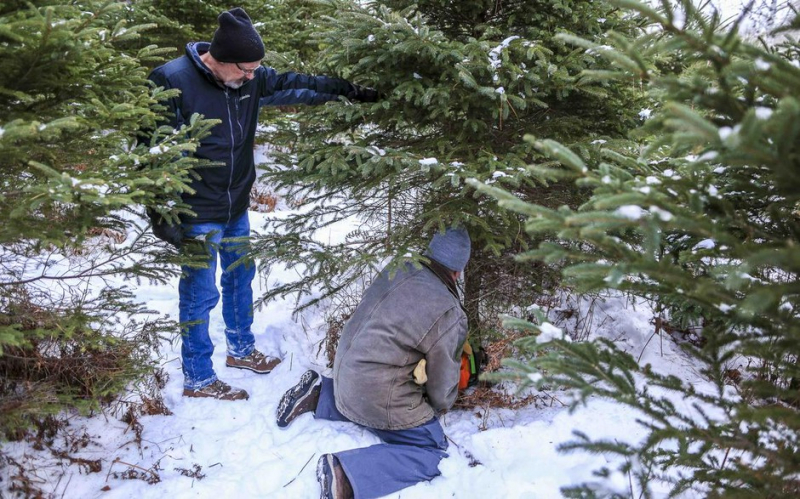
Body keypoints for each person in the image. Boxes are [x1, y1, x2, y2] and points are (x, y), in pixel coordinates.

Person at [145, 8, 379, 401]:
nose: (253, 76)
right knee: (199, 295)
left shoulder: (250, 79)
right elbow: (150, 152)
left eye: (257, 69)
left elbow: (296, 85)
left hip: (235, 204)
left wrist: (347, 89)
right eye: (246, 69)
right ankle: (199, 377)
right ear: (219, 59)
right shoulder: (171, 81)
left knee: (239, 280)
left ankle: (241, 350)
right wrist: (160, 213)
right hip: (195, 211)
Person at [276, 227, 470, 499]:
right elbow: (442, 382)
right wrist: (440, 406)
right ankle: (346, 473)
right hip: (372, 391)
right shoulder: (449, 311)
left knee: (371, 391)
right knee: (433, 450)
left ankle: (321, 395)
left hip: (345, 369)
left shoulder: (400, 265)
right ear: (458, 271)